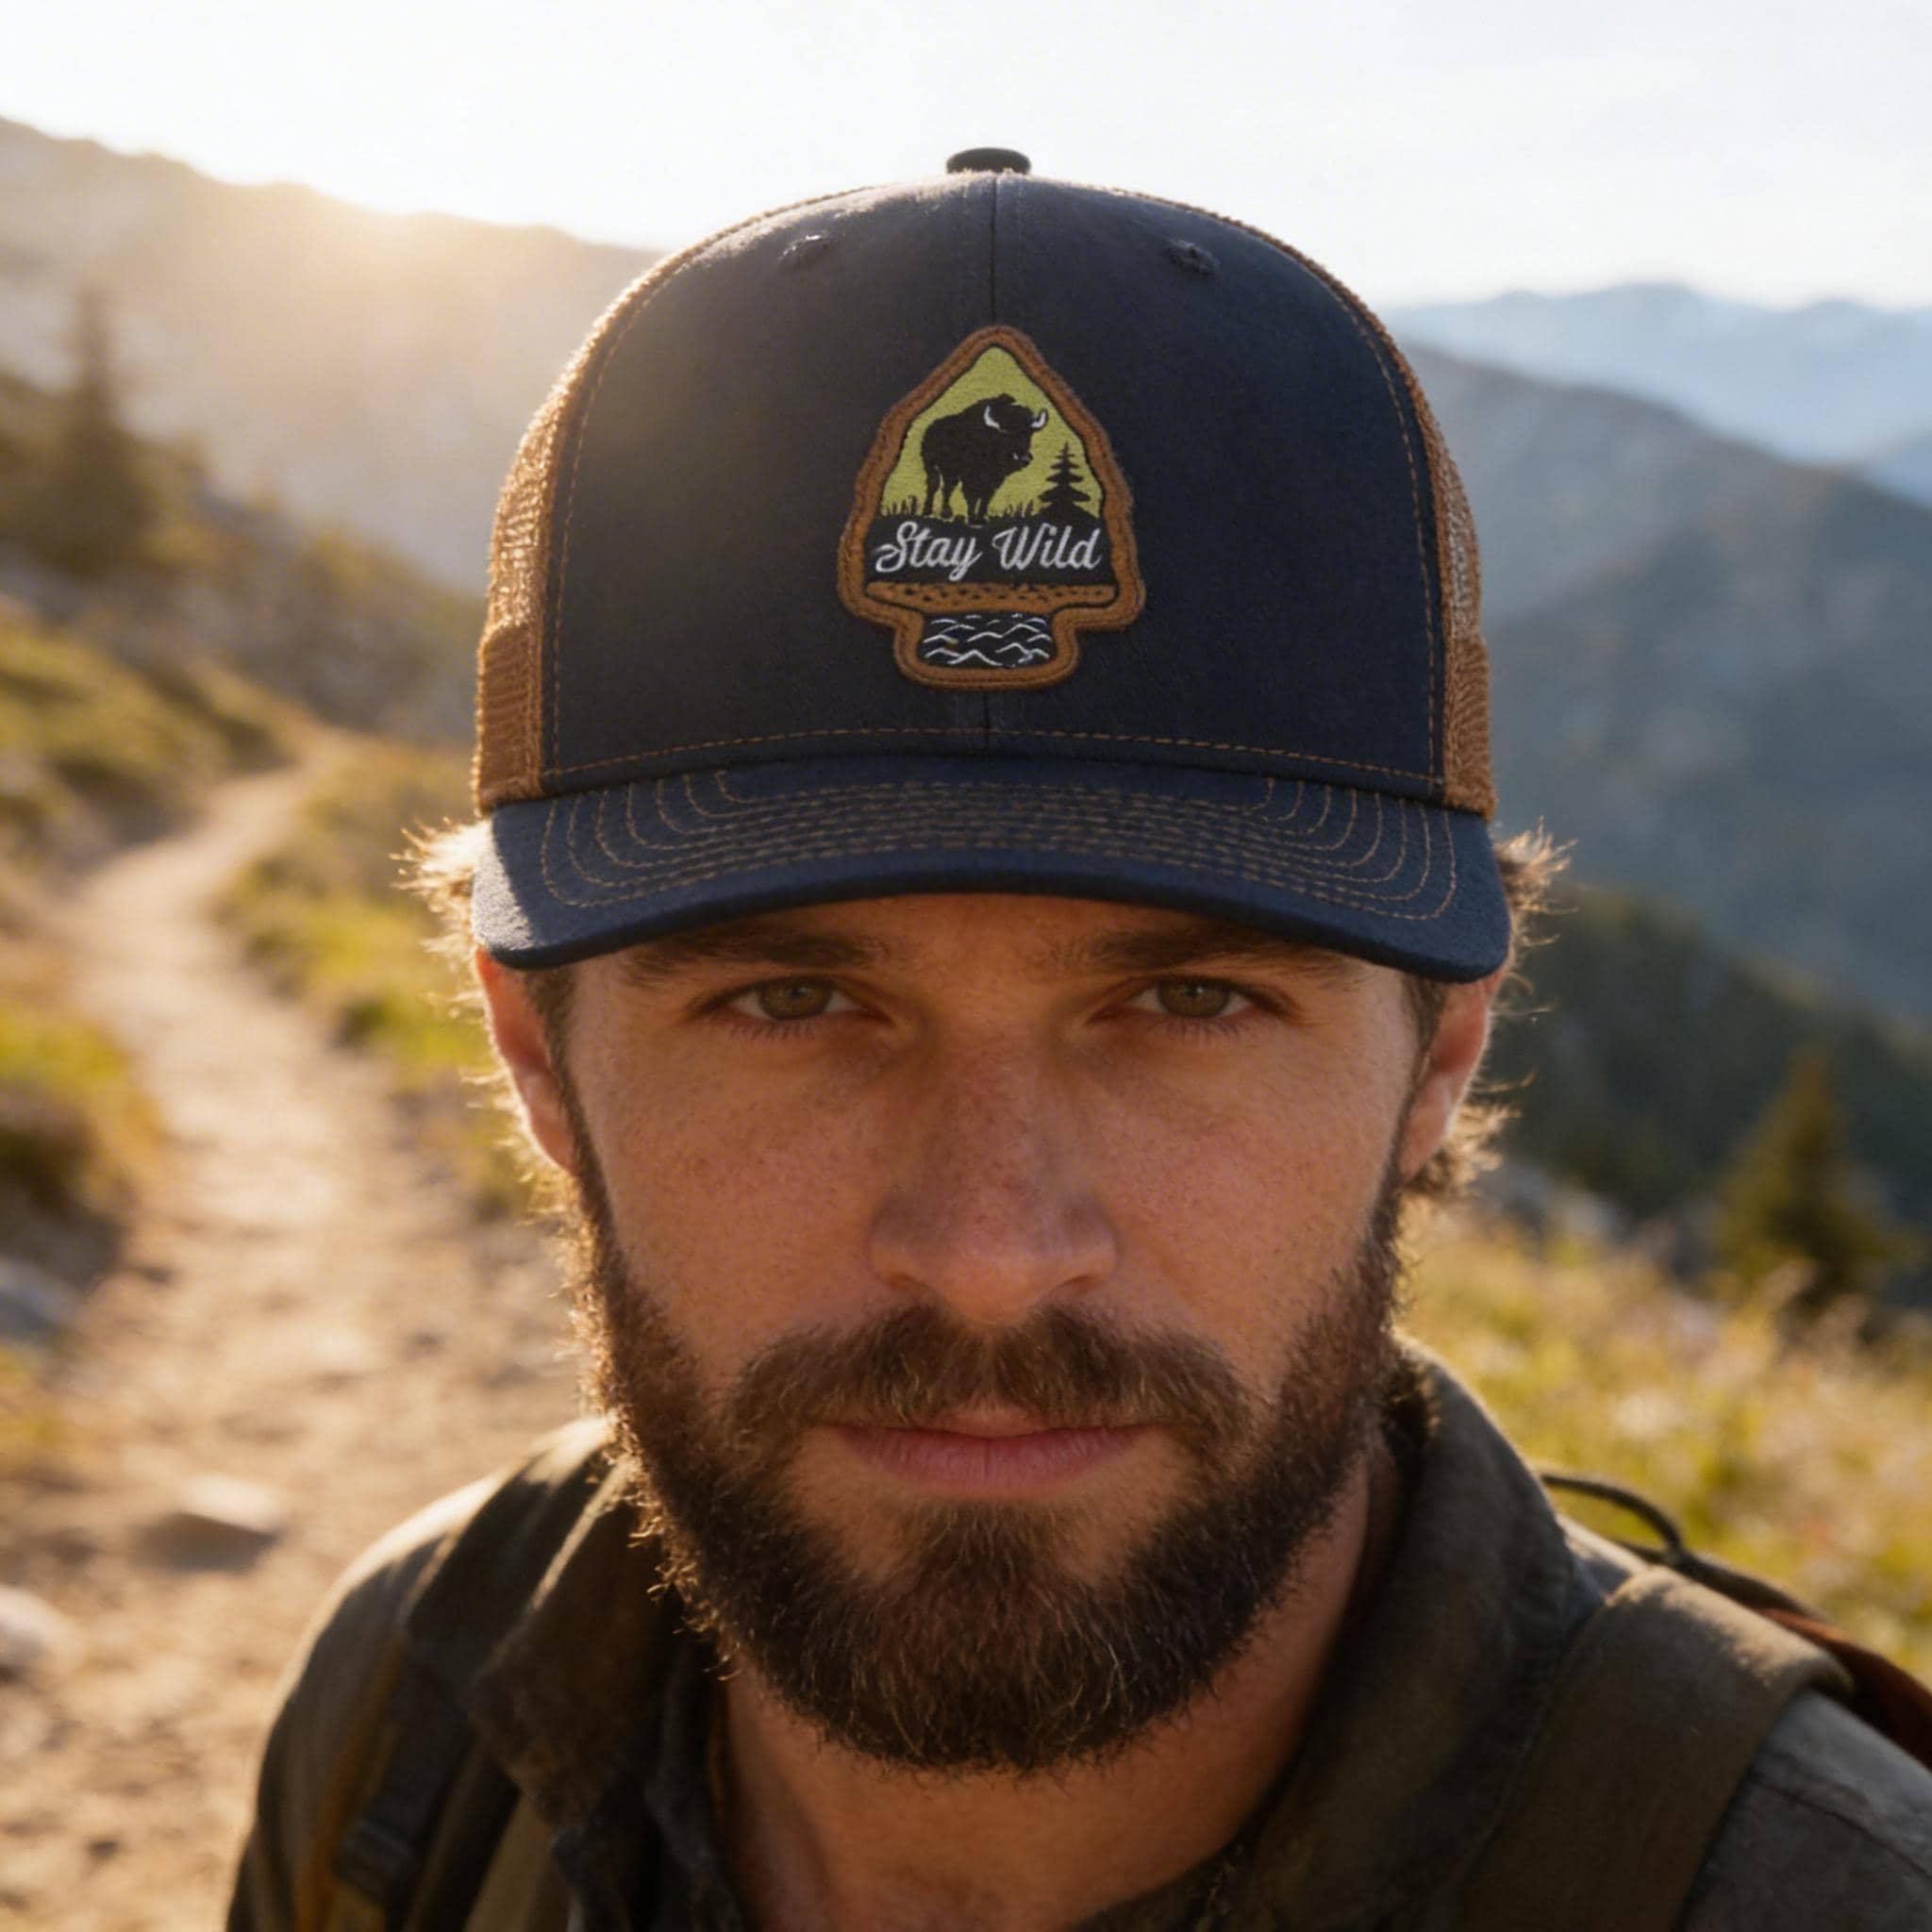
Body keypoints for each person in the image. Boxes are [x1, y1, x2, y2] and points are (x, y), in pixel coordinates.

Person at [226, 150, 1932, 1930]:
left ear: (1439, 1061)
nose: (989, 1254)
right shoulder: (412, 1718)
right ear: (538, 1059)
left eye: (1191, 1003)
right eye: (793, 1002)